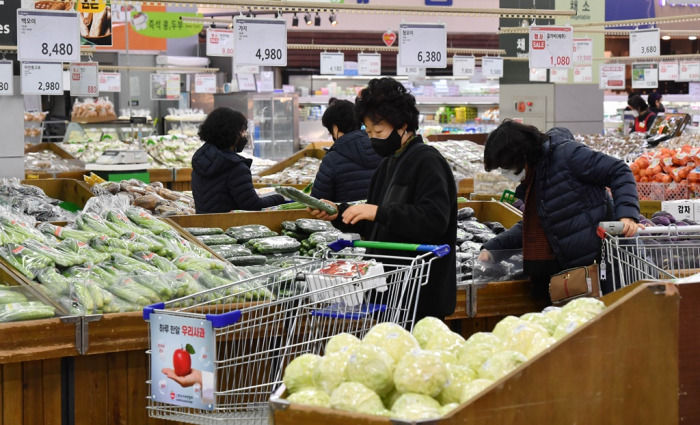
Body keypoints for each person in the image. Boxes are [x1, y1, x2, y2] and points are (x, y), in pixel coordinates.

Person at [309, 77, 457, 320]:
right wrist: (340, 213)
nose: (372, 138)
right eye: (368, 132)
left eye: (378, 131)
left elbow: (433, 221)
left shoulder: (428, 162)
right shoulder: (387, 164)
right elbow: (378, 225)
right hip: (388, 290)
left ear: (404, 125)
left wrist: (378, 212)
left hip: (419, 294)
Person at [478, 120, 642, 299]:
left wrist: (627, 216)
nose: (506, 172)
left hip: (609, 266)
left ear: (522, 155)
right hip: (581, 274)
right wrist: (494, 248)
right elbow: (538, 224)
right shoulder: (536, 178)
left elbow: (618, 170)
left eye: (507, 167)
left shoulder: (567, 155)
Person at [191, 107, 285, 214]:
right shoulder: (235, 167)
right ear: (232, 133)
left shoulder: (201, 160)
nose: (244, 135)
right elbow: (253, 206)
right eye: (242, 131)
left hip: (201, 225)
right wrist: (281, 198)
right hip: (229, 226)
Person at [310, 99, 383, 203]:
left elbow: (317, 204)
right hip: (380, 216)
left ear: (335, 128)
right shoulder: (382, 148)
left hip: (346, 217)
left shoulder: (332, 159)